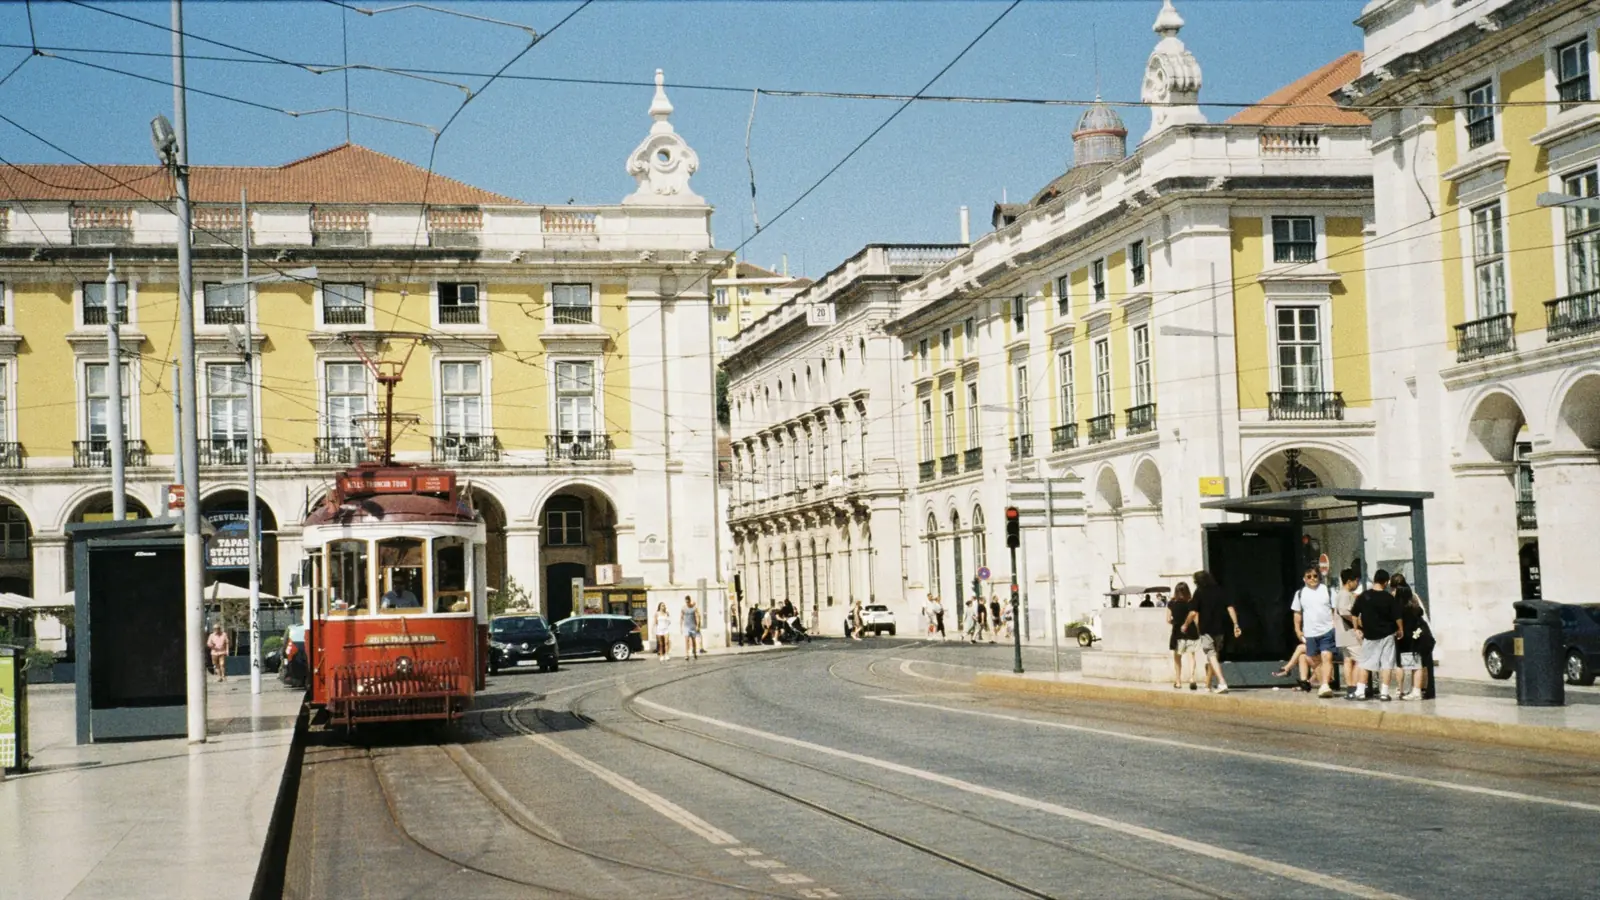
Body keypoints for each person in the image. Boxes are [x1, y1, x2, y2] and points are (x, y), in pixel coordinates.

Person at [1348, 569, 1403, 701]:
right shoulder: (1389, 598)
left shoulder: (1364, 596)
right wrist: (1401, 629)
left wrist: (1356, 629)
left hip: (1370, 635)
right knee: (1386, 664)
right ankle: (1384, 693)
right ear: (1386, 582)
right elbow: (1397, 617)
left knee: (1365, 663)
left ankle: (1360, 691)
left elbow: (1354, 614)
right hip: (1387, 635)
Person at [1291, 567, 1338, 697]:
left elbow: (1335, 610)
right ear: (1304, 579)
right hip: (1310, 632)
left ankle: (1325, 685)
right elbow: (1297, 613)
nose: (1312, 579)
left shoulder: (1328, 591)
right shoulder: (1300, 594)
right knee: (1313, 660)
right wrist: (1297, 629)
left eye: (1315, 576)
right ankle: (1325, 683)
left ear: (1319, 577)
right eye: (1309, 576)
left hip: (1327, 630)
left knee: (1326, 656)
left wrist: (1334, 625)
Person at [1193, 570, 1239, 693]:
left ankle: (1222, 682)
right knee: (1214, 655)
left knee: (1211, 655)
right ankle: (1208, 684)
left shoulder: (1199, 592)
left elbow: (1194, 612)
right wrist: (1235, 624)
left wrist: (1190, 625)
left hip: (1206, 629)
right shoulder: (1220, 590)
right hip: (1220, 628)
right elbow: (1230, 608)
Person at [1167, 582, 1200, 690]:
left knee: (1177, 657)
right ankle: (1192, 678)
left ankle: (1178, 681)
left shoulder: (1171, 603)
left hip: (1177, 632)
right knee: (1191, 656)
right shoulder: (1191, 602)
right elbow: (1196, 618)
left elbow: (1168, 620)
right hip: (1191, 631)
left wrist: (1175, 622)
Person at [1333, 568, 1361, 693]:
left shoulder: (1342, 594)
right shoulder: (1345, 594)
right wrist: (1358, 623)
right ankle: (1355, 685)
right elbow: (1344, 611)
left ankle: (1350, 686)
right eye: (1356, 581)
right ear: (1349, 581)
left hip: (1341, 632)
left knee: (1348, 659)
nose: (1357, 584)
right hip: (1348, 632)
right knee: (1361, 659)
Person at [681, 595, 702, 661]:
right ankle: (687, 654)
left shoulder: (694, 608)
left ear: (690, 601)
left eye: (688, 601)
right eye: (686, 602)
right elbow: (681, 617)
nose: (687, 603)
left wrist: (698, 626)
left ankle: (694, 653)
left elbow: (697, 616)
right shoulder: (683, 608)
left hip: (693, 626)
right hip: (686, 626)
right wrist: (681, 627)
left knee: (693, 641)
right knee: (686, 640)